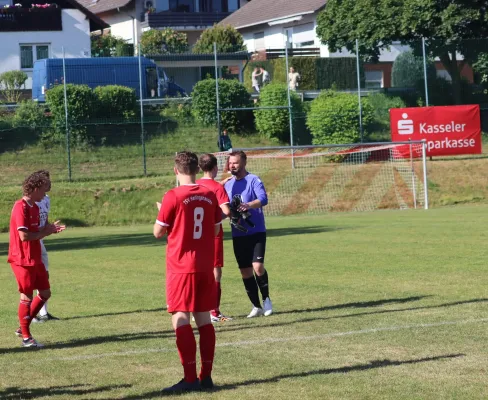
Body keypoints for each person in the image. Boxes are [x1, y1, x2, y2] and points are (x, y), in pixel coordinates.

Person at [154, 151, 222, 393]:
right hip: (205, 265)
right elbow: (215, 230)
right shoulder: (209, 194)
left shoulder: (172, 196)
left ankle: (189, 378)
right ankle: (206, 377)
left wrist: (163, 212)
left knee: (180, 317)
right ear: (195, 169)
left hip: (181, 267)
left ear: (176, 170)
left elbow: (157, 232)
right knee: (204, 318)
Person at [8, 172, 65, 348]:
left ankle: (22, 328)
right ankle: (26, 337)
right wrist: (44, 232)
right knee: (26, 296)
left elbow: (38, 231)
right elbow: (24, 236)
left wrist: (49, 228)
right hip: (22, 258)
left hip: (35, 257)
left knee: (45, 293)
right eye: (43, 189)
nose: (45, 192)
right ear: (34, 188)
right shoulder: (21, 206)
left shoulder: (34, 207)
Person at [224, 151, 273, 318]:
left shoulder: (254, 180)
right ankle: (256, 305)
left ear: (244, 162)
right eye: (230, 163)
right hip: (238, 234)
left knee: (257, 267)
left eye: (235, 163)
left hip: (256, 230)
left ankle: (266, 299)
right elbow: (224, 208)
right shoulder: (227, 184)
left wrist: (249, 205)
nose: (232, 166)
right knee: (245, 271)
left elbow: (263, 199)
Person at [197, 153, 233, 323]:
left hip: (195, 236)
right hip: (213, 235)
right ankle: (214, 312)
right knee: (215, 273)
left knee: (197, 271)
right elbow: (226, 211)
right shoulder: (218, 188)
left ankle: (197, 309)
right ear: (215, 168)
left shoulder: (195, 184)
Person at [32, 170, 59, 322]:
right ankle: (30, 314)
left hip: (40, 240)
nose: (50, 183)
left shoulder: (46, 199)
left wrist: (51, 229)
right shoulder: (31, 201)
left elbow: (45, 221)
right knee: (31, 278)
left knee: (44, 275)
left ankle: (43, 313)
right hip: (32, 241)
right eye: (47, 181)